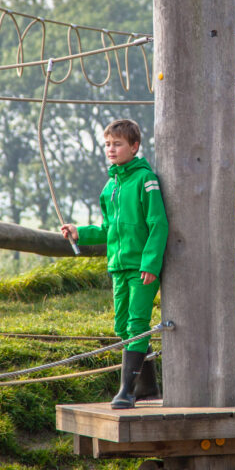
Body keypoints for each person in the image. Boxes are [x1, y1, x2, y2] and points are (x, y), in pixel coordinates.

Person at [61, 119, 168, 409]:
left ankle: (126, 392)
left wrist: (150, 263)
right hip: (118, 267)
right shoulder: (110, 187)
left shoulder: (146, 180)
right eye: (108, 144)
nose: (111, 148)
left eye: (118, 144)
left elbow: (158, 224)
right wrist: (80, 233)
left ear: (134, 147)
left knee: (136, 324)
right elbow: (109, 228)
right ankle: (147, 387)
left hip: (142, 268)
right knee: (122, 326)